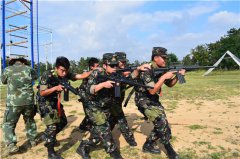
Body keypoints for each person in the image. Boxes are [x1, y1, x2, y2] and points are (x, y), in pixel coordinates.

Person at [134, 47, 184, 159]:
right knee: (161, 122)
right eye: (163, 58)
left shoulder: (162, 69)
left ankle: (148, 144)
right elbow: (151, 90)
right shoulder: (146, 70)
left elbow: (170, 84)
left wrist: (179, 75)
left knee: (163, 124)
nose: (165, 60)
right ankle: (170, 150)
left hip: (153, 100)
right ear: (156, 58)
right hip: (143, 100)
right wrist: (164, 77)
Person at [37, 56, 92, 159]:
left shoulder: (65, 74)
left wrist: (92, 72)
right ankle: (51, 153)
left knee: (63, 122)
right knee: (52, 126)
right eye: (62, 70)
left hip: (54, 101)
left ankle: (48, 136)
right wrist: (55, 88)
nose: (64, 73)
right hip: (45, 102)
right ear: (57, 68)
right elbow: (42, 92)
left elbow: (79, 76)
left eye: (66, 71)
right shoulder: (47, 75)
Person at [1, 57, 38, 155]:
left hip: (14, 103)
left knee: (8, 123)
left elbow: (3, 81)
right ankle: (32, 140)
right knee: (29, 120)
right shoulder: (29, 69)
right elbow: (35, 77)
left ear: (12, 63)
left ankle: (11, 145)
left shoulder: (7, 69)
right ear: (23, 62)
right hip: (29, 101)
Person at [108, 52, 137, 147]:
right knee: (120, 118)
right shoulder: (112, 70)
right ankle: (130, 139)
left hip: (118, 98)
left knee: (113, 118)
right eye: (122, 62)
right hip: (111, 99)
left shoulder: (124, 69)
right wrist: (125, 75)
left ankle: (104, 133)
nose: (124, 64)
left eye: (125, 62)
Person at [78, 57, 100, 132]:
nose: (98, 68)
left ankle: (83, 126)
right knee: (90, 113)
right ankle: (84, 127)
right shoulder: (87, 74)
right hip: (85, 96)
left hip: (91, 96)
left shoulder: (96, 73)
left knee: (90, 113)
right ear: (91, 67)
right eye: (97, 66)